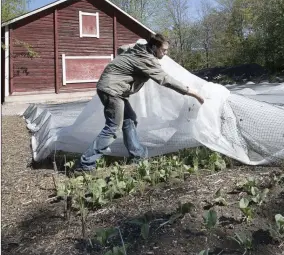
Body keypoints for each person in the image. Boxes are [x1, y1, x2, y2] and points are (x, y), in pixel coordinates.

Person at [75, 33, 204, 173]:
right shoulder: (146, 59)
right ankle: (85, 164)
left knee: (129, 119)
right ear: (154, 47)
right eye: (164, 50)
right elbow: (165, 80)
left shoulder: (138, 49)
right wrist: (193, 93)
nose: (166, 53)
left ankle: (137, 155)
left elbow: (121, 49)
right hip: (113, 90)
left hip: (114, 89)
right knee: (113, 127)